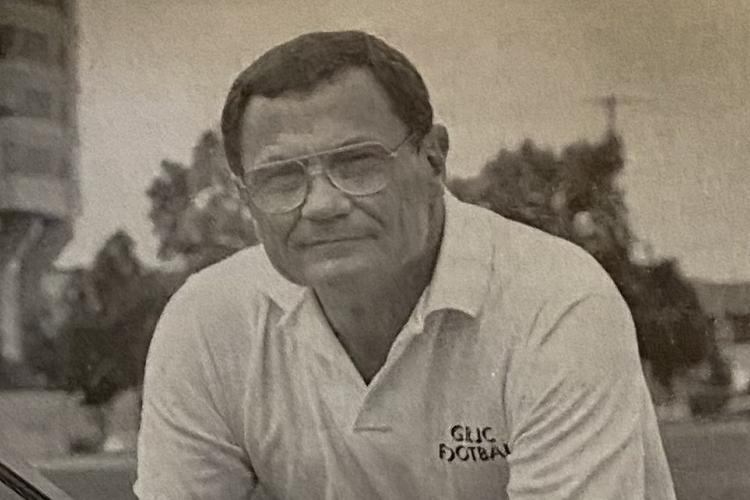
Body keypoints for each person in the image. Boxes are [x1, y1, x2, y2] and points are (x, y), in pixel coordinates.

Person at [135, 30, 676, 499]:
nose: (322, 205)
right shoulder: (205, 322)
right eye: (282, 178)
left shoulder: (557, 302)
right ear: (245, 196)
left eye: (358, 162)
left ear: (434, 159)